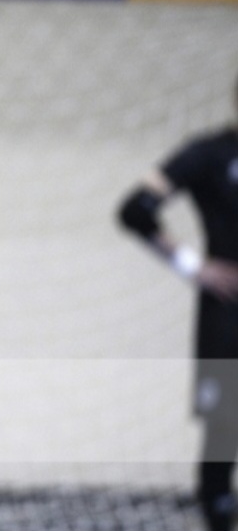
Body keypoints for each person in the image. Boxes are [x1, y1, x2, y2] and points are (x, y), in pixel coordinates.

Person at [118, 75, 238, 531]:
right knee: (224, 424)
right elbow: (135, 209)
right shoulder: (210, 153)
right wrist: (193, 266)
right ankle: (218, 511)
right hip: (228, 311)